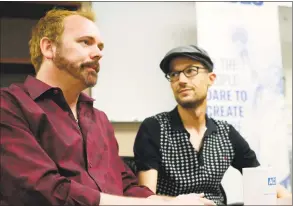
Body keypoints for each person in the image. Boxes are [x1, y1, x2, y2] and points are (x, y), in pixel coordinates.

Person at [0, 9, 216, 206]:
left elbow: (126, 185)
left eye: (100, 47)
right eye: (86, 42)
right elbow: (45, 192)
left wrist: (177, 202)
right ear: (49, 48)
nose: (98, 53)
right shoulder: (10, 106)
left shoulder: (98, 119)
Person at [133, 45, 292, 205]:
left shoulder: (226, 133)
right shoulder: (154, 127)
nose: (181, 80)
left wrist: (287, 197)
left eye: (190, 71)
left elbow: (260, 178)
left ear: (211, 78)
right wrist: (178, 202)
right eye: (174, 74)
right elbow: (147, 198)